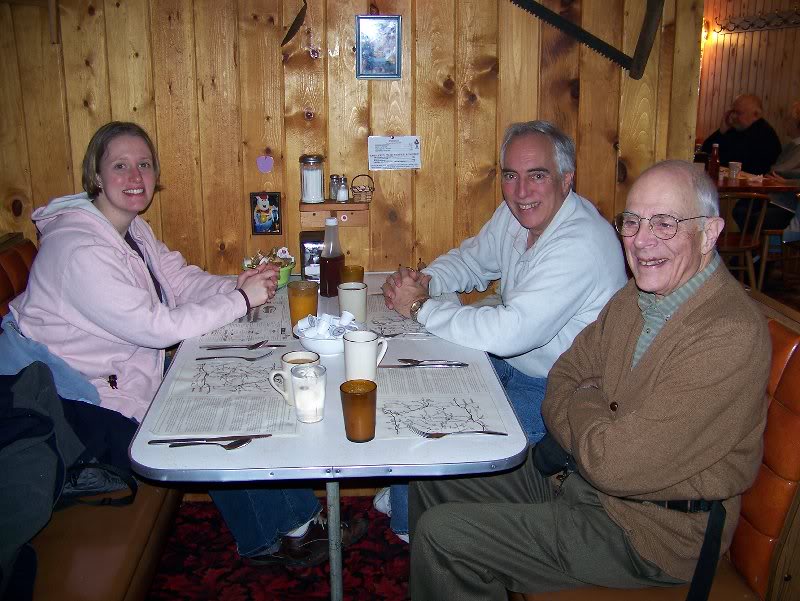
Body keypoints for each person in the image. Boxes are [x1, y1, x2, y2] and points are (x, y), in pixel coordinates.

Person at [3, 121, 365, 568]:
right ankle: (288, 533)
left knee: (233, 390)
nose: (135, 177)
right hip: (71, 405)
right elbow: (156, 328)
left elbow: (178, 279)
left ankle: (286, 525)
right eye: (120, 166)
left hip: (114, 376)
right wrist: (238, 300)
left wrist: (235, 284)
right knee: (202, 414)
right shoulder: (79, 250)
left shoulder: (129, 230)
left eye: (144, 165)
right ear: (96, 175)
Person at [407, 160, 770, 600]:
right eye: (632, 222)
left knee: (447, 536)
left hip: (653, 533)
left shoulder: (727, 333)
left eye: (665, 223)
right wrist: (590, 407)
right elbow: (564, 375)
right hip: (579, 484)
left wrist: (584, 401)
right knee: (435, 472)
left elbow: (615, 464)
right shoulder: (633, 299)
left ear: (709, 233)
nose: (641, 240)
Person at [377, 120, 627, 541]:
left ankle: (411, 525)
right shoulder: (518, 215)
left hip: (562, 390)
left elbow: (511, 332)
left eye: (537, 175)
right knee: (421, 386)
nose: (521, 190)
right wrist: (425, 282)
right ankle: (413, 496)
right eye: (511, 176)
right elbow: (473, 261)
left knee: (448, 424)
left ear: (567, 180)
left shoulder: (581, 242)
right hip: (513, 367)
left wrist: (419, 307)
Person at [701, 93, 782, 175]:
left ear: (756, 115)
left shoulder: (764, 135)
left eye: (738, 113)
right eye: (733, 112)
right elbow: (704, 152)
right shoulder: (736, 129)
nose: (733, 116)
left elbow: (732, 159)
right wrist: (721, 131)